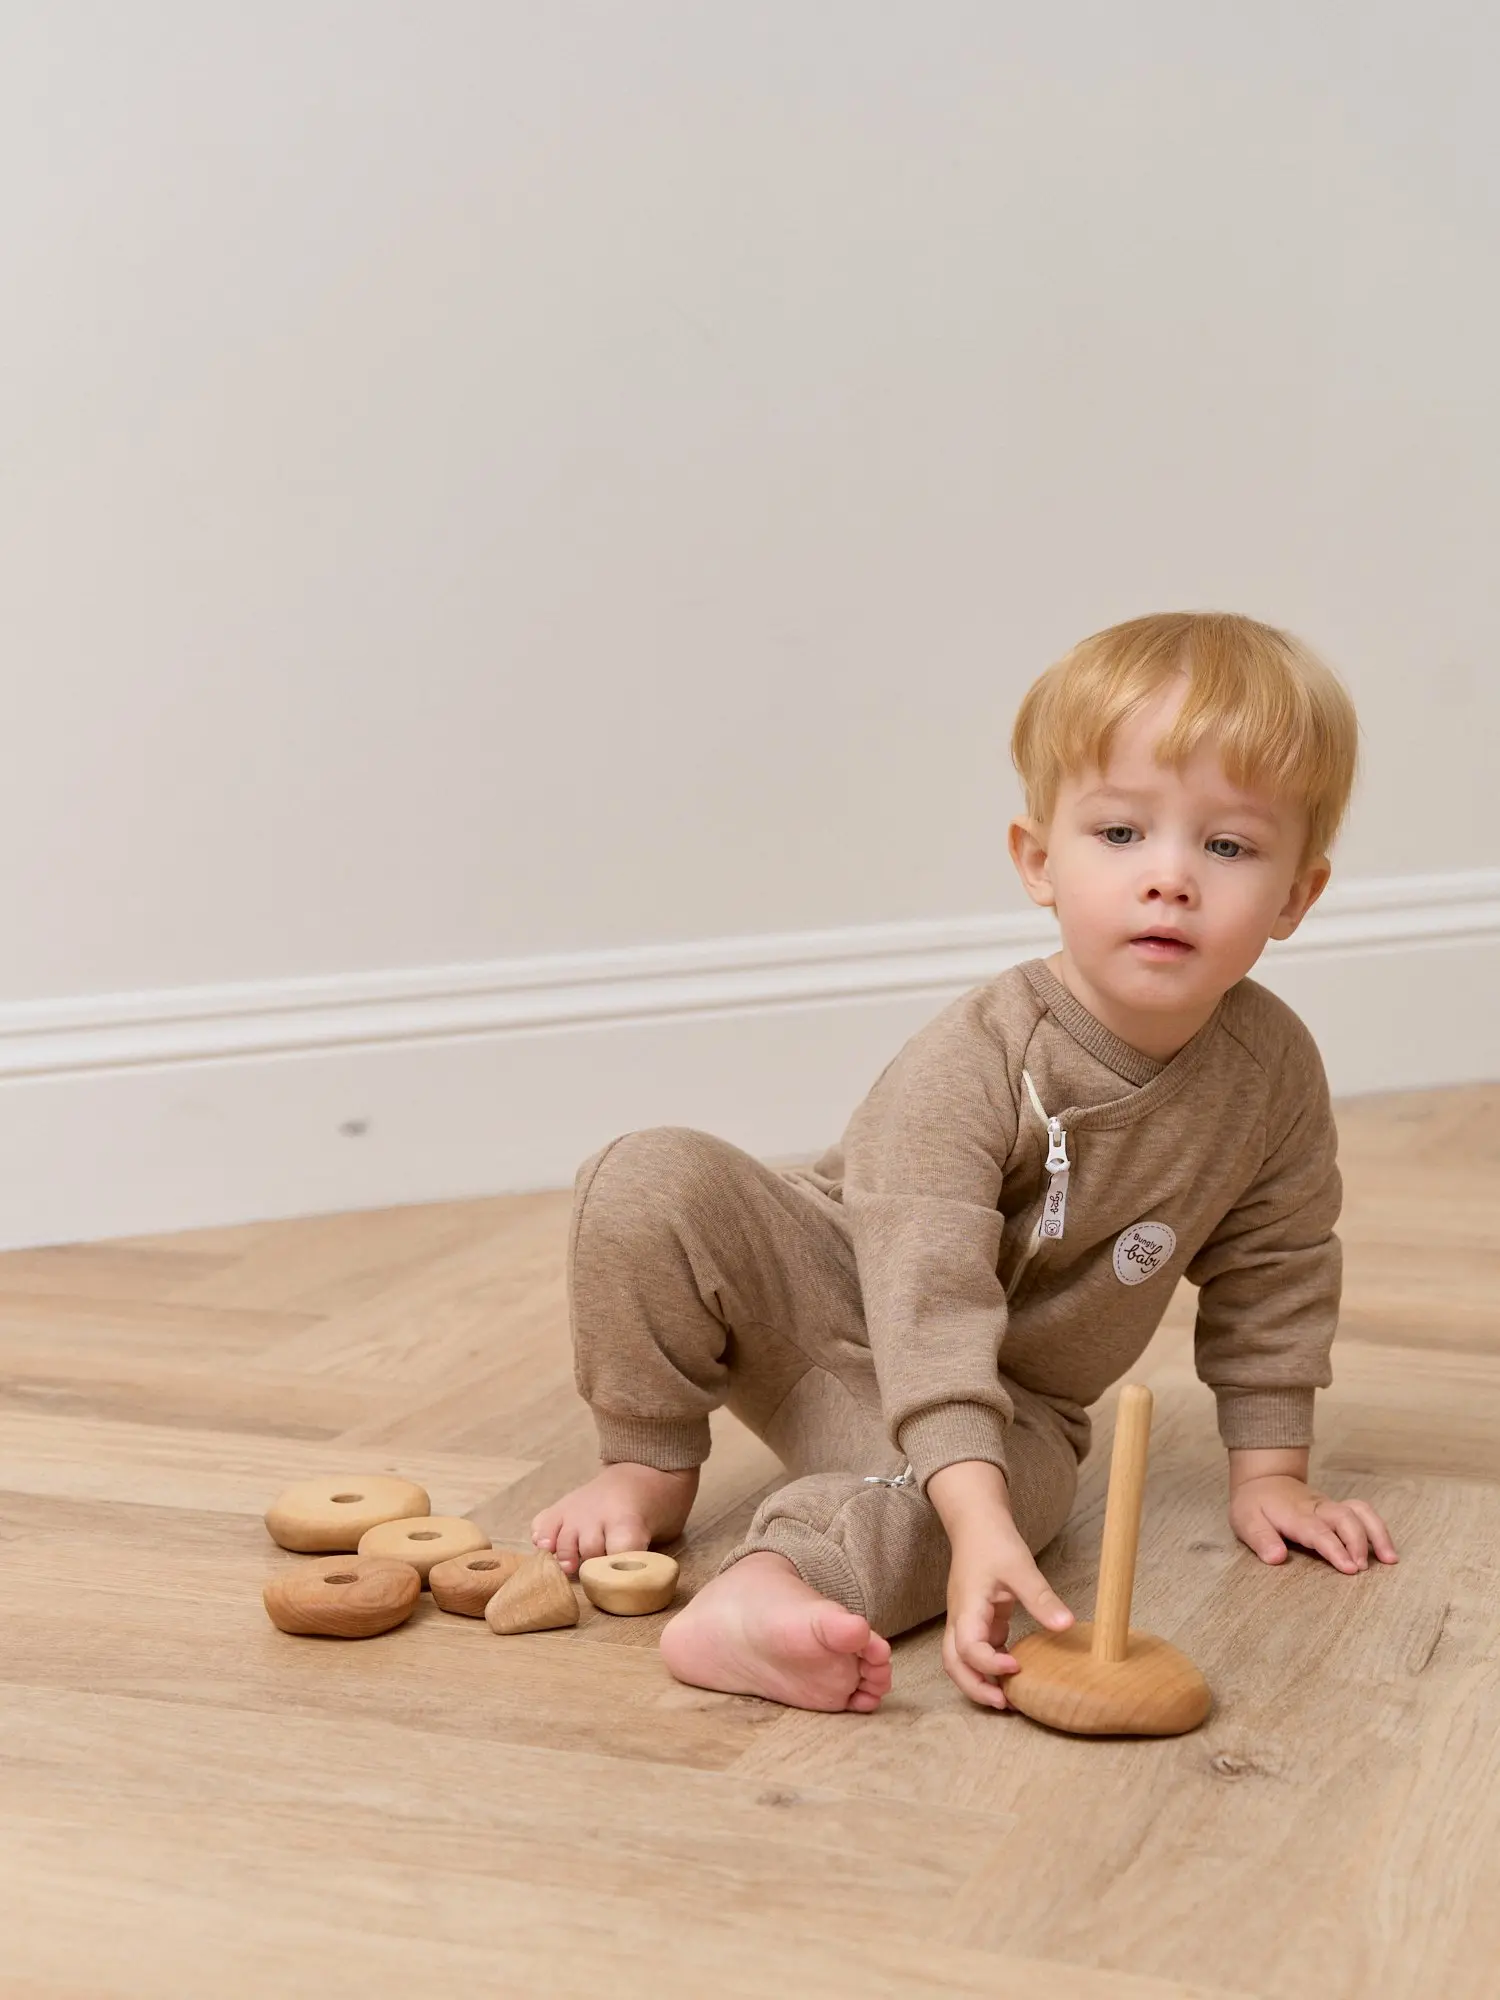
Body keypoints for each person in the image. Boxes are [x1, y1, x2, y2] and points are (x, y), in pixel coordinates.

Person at [532, 610, 1400, 1714]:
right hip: (830, 1292)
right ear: (1039, 861)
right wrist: (970, 1501)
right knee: (646, 1177)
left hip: (1009, 1397)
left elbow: (1278, 1266)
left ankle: (774, 1587)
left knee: (1002, 1500)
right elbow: (925, 1284)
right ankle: (648, 1463)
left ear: (1296, 897)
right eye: (1121, 833)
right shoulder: (977, 1057)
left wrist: (1269, 1471)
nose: (1171, 877)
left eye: (1227, 846)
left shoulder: (1270, 1072)